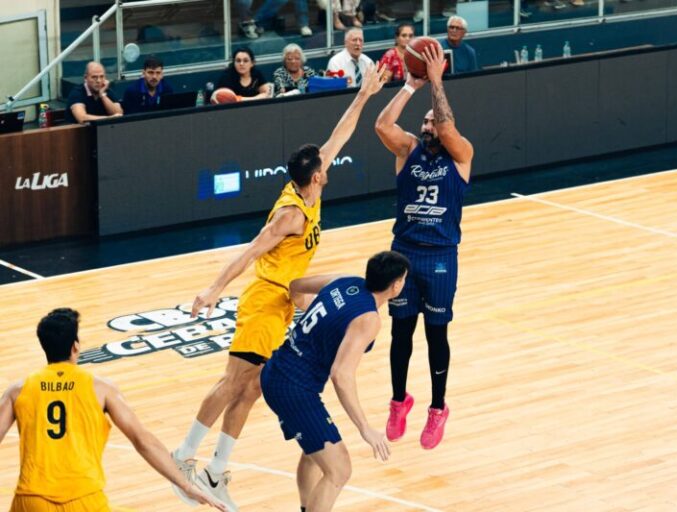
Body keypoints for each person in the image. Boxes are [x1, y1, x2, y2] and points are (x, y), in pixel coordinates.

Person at [171, 65, 387, 512]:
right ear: (317, 178)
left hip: (285, 301)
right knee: (234, 383)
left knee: (251, 389)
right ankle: (181, 459)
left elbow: (340, 134)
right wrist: (213, 289)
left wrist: (365, 95)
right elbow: (250, 251)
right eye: (323, 167)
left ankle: (215, 470)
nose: (328, 167)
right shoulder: (289, 215)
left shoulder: (312, 185)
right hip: (263, 300)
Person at [0, 308, 224, 512]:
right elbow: (142, 440)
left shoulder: (17, 390)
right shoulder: (101, 389)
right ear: (75, 346)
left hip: (30, 501)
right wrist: (186, 485)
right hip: (83, 499)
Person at [374, 43, 473, 450]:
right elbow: (382, 125)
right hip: (404, 254)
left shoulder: (461, 154)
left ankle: (437, 409)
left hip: (440, 257)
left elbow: (449, 128)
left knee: (436, 336)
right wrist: (411, 86)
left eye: (435, 120)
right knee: (400, 334)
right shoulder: (409, 149)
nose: (431, 125)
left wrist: (436, 81)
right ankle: (399, 401)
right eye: (426, 122)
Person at [261, 250, 410, 512]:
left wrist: (321, 318)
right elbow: (341, 375)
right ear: (396, 285)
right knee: (339, 470)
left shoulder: (343, 281)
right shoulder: (368, 319)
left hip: (277, 370)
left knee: (314, 453)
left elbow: (295, 287)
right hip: (293, 388)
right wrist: (365, 427)